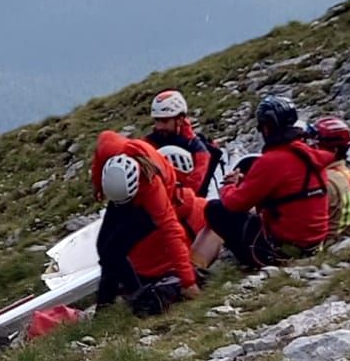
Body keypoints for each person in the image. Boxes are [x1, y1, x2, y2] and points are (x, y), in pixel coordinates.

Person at [192, 95, 335, 270]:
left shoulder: (272, 160)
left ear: (267, 127)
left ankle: (208, 265)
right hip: (313, 242)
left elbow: (234, 203)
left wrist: (229, 185)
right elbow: (287, 191)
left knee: (216, 209)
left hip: (281, 250)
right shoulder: (309, 154)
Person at [91, 132, 200, 316]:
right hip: (122, 194)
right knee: (104, 247)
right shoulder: (109, 147)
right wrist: (98, 187)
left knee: (114, 250)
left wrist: (188, 281)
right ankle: (113, 305)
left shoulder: (153, 189)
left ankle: (134, 301)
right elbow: (98, 159)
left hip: (150, 201)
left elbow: (172, 232)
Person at [146, 90, 219, 196]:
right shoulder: (150, 142)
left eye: (165, 121)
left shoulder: (199, 151)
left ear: (180, 120)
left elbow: (194, 188)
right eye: (157, 120)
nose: (159, 126)